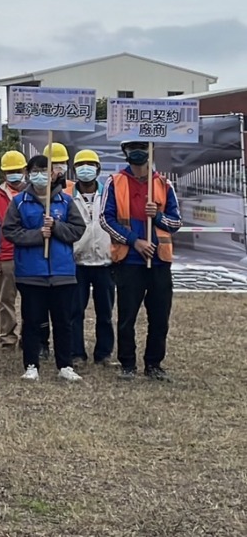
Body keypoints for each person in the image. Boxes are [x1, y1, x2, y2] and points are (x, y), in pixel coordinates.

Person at [3, 151, 86, 381]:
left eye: (45, 171)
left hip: (62, 273)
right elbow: (10, 231)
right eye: (35, 171)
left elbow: (78, 230)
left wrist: (57, 227)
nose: (40, 176)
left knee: (63, 321)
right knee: (32, 321)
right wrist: (38, 235)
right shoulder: (19, 202)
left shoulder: (65, 201)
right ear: (28, 174)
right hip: (31, 273)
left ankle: (65, 365)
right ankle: (31, 365)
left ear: (53, 174)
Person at [103, 139, 182, 382]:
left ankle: (154, 364)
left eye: (142, 148)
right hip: (129, 261)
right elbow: (106, 220)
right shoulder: (115, 182)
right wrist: (134, 240)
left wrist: (157, 217)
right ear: (125, 153)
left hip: (159, 262)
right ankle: (127, 364)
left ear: (151, 151)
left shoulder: (163, 183)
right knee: (127, 316)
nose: (138, 153)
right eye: (132, 149)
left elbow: (176, 222)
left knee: (159, 316)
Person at [67, 149, 115, 368]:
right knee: (75, 311)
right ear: (75, 170)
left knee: (105, 312)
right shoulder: (67, 196)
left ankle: (103, 354)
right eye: (81, 165)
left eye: (90, 164)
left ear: (98, 169)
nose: (85, 169)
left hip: (105, 261)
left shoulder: (108, 194)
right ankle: (76, 353)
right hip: (77, 262)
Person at [0, 150, 31, 351]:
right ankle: (8, 338)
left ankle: (29, 337)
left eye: (17, 170)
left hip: (31, 254)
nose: (14, 174)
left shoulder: (35, 193)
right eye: (9, 171)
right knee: (7, 300)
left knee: (32, 300)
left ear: (25, 170)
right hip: (6, 255)